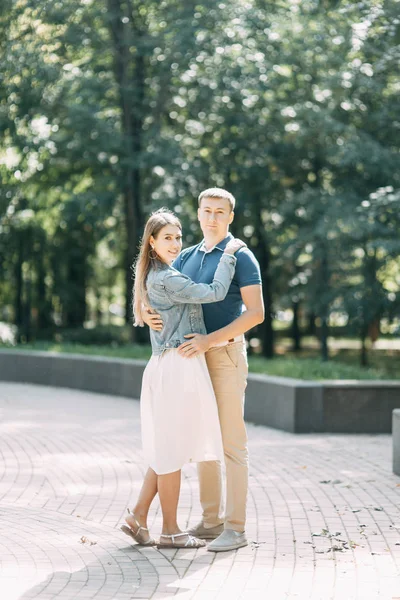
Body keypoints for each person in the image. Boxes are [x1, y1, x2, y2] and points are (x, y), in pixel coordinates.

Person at [144, 188, 264, 552]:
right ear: (198, 214)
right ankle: (211, 522)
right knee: (202, 440)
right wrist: (144, 312)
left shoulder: (241, 256)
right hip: (190, 360)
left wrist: (210, 341)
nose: (212, 217)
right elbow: (165, 294)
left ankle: (236, 528)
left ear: (230, 217)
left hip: (224, 356)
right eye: (206, 211)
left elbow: (256, 314)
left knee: (230, 444)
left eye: (220, 212)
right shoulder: (187, 256)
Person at [121, 208, 245, 549]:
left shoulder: (160, 273)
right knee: (172, 450)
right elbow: (215, 291)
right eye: (167, 238)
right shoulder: (166, 278)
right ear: (151, 241)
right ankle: (171, 530)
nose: (175, 243)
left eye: (178, 237)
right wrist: (230, 255)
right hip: (177, 366)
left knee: (167, 446)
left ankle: (138, 515)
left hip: (171, 364)